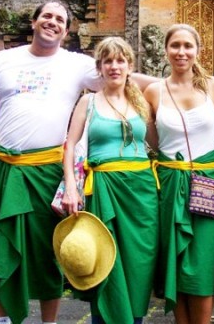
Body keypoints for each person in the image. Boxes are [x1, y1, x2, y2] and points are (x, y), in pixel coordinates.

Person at [0, 1, 154, 324]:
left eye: (60, 20)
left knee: (50, 248)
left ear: (66, 31)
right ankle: (1, 319)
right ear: (34, 21)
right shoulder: (3, 60)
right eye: (47, 16)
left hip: (49, 169)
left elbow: (121, 74)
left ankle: (49, 321)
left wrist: (181, 82)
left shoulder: (76, 65)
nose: (52, 22)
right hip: (1, 165)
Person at [61, 36, 159, 324]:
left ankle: (135, 320)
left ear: (130, 65)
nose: (114, 67)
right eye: (108, 61)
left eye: (121, 60)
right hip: (104, 187)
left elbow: (156, 144)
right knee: (104, 262)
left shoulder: (142, 102)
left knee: (139, 264)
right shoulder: (88, 102)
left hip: (142, 193)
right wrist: (70, 186)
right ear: (99, 67)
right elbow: (69, 145)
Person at [143, 24, 214, 324]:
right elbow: (152, 141)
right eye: (175, 45)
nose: (181, 52)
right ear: (165, 50)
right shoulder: (153, 91)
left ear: (198, 50)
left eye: (188, 46)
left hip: (209, 181)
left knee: (202, 261)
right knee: (174, 260)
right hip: (169, 183)